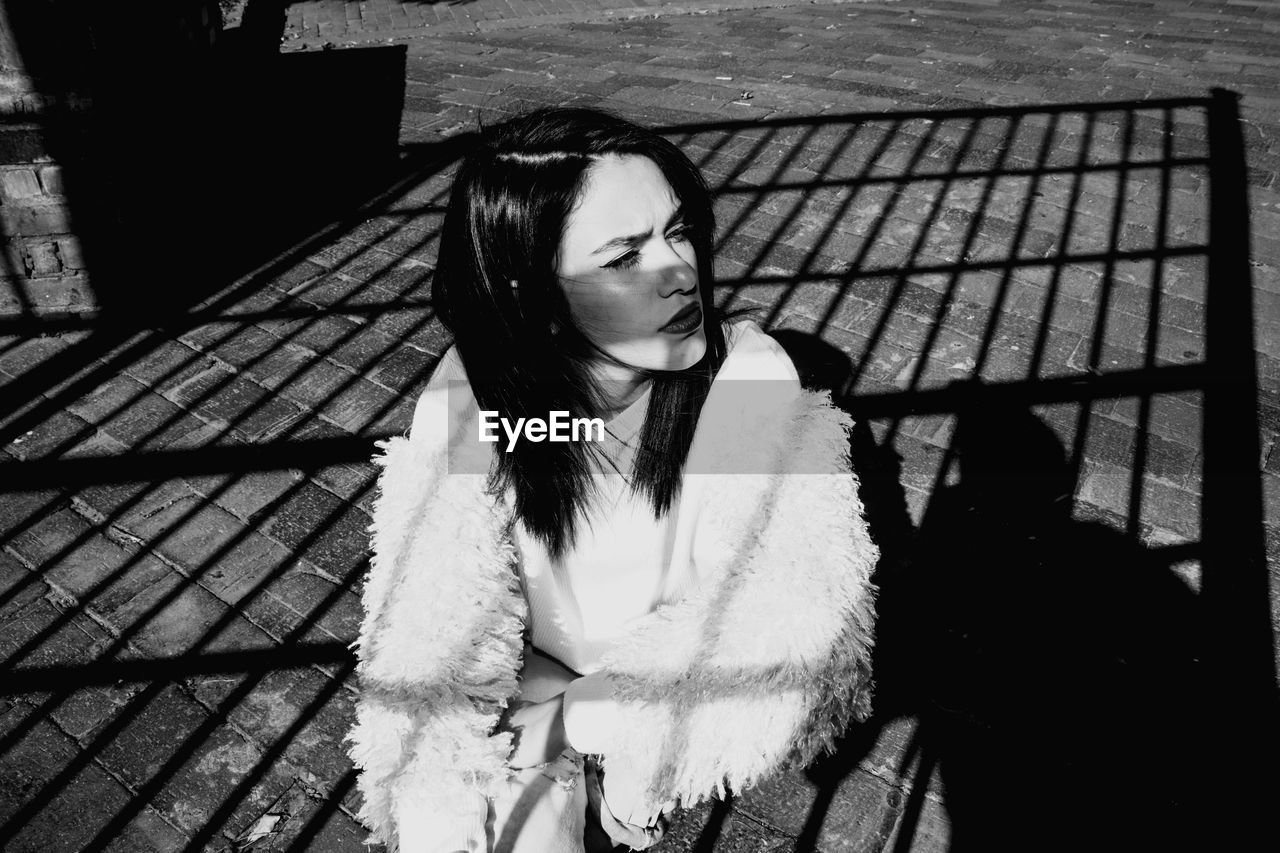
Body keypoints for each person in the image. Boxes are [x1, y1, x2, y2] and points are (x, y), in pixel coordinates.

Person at [347, 107, 879, 852]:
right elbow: (429, 619)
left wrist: (606, 722)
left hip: (663, 680)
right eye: (624, 257)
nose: (683, 272)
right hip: (527, 684)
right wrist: (475, 765)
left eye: (680, 229)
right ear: (532, 290)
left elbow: (797, 611)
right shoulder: (474, 391)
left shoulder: (745, 377)